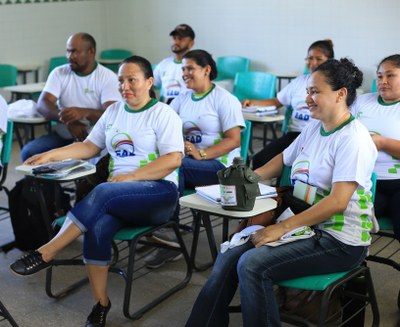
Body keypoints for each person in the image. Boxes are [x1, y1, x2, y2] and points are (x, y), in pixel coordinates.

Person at [185, 58, 378, 327]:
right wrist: (248, 178)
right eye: (308, 91)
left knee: (252, 265)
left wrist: (281, 228)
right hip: (304, 225)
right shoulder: (314, 127)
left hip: (338, 239)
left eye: (315, 92)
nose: (307, 98)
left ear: (341, 94)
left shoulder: (354, 139)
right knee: (229, 257)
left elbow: (337, 202)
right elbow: (282, 160)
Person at [10, 55, 184, 327]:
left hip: (158, 193)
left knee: (103, 190)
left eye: (132, 80)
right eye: (121, 81)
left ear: (149, 82)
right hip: (119, 195)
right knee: (97, 227)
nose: (125, 86)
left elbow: (173, 159)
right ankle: (101, 304)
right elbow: (90, 147)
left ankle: (47, 251)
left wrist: (132, 176)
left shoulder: (163, 113)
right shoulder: (114, 112)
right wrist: (51, 155)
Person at [143, 49, 245, 269]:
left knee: (173, 166)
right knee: (156, 166)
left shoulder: (225, 99)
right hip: (190, 164)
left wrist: (202, 154)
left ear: (207, 70)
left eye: (190, 69)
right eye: (183, 69)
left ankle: (169, 234)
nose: (185, 74)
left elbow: (234, 140)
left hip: (221, 166)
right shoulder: (181, 99)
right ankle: (156, 226)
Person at [20, 32, 121, 162]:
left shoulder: (107, 77)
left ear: (91, 52)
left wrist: (84, 113)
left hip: (94, 140)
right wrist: (69, 121)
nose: (70, 57)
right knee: (30, 152)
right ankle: (51, 183)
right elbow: (43, 104)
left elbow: (113, 114)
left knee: (97, 163)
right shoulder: (59, 73)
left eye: (75, 52)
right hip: (63, 136)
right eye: (68, 51)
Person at [242, 39, 334, 170]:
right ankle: (275, 188)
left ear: (329, 60)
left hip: (318, 136)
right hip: (294, 135)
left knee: (299, 166)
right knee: (260, 160)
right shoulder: (299, 82)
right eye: (310, 58)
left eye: (318, 59)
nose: (313, 63)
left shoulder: (332, 86)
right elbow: (277, 101)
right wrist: (253, 103)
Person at [351, 54, 400, 240]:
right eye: (380, 76)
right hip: (364, 182)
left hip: (398, 182)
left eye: (390, 75)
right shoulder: (361, 102)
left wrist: (382, 142)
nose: (383, 81)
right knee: (349, 223)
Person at [153, 23, 195, 104]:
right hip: (165, 111)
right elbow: (150, 85)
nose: (176, 41)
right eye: (174, 38)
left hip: (187, 109)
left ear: (191, 43)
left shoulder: (196, 65)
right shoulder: (164, 64)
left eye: (180, 38)